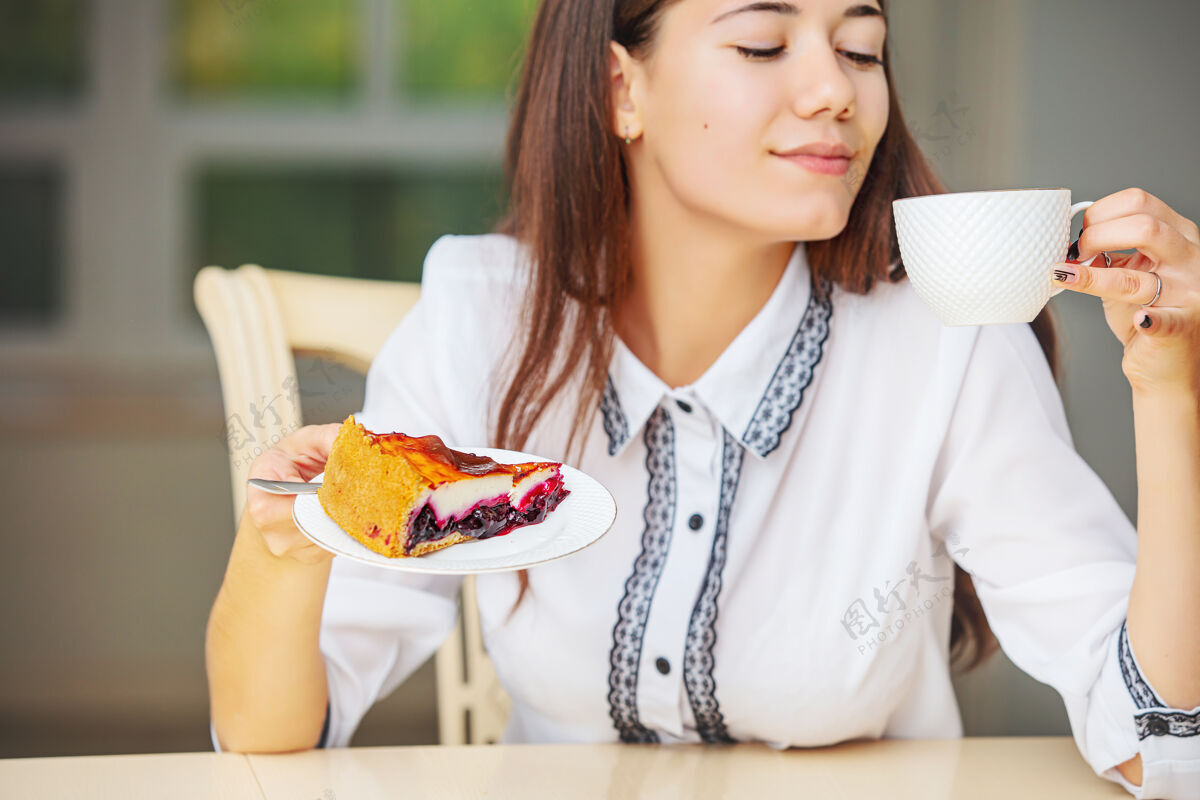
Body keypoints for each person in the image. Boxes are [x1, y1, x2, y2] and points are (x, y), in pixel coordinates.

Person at [205, 1, 1200, 797]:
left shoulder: (945, 343)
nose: (834, 90)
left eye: (863, 47)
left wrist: (1172, 385)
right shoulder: (480, 318)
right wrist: (286, 539)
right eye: (764, 42)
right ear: (617, 88)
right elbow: (271, 733)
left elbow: (1157, 738)